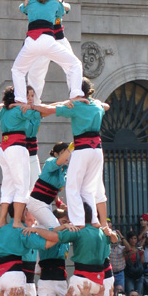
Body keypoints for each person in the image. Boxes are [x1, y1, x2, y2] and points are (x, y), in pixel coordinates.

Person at [32, 78, 109, 227]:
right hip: (97, 150)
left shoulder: (75, 106)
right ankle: (93, 220)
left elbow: (48, 110)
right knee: (88, 189)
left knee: (73, 187)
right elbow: (107, 106)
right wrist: (91, 101)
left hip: (82, 149)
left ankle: (79, 221)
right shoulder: (96, 105)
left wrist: (34, 106)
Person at [11, 0, 84, 104]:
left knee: (18, 70)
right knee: (74, 65)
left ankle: (20, 99)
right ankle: (76, 93)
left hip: (32, 41)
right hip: (48, 40)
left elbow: (23, 5)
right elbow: (65, 10)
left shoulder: (30, 3)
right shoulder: (54, 3)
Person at [0, 85, 41, 229]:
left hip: (4, 148)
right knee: (22, 186)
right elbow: (39, 113)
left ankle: (1, 220)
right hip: (17, 147)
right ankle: (17, 221)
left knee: (7, 185)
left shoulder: (5, 110)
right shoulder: (20, 110)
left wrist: (3, 106)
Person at [27, 142, 70, 228]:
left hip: (46, 204)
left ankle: (28, 234)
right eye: (63, 153)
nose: (66, 157)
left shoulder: (63, 170)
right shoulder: (50, 162)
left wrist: (58, 203)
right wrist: (71, 147)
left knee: (45, 230)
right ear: (55, 154)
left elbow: (52, 189)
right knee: (56, 228)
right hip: (37, 202)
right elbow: (57, 162)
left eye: (68, 154)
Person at [25, 86, 41, 190]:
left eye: (32, 96)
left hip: (33, 152)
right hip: (22, 151)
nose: (31, 98)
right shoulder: (18, 111)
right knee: (23, 184)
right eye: (28, 96)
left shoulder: (36, 112)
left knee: (36, 182)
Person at [124, 231, 145, 295]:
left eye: (135, 238)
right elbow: (125, 259)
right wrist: (131, 253)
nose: (133, 240)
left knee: (139, 294)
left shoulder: (138, 249)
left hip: (138, 274)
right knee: (130, 293)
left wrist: (142, 253)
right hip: (129, 274)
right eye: (131, 238)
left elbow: (142, 262)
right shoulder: (125, 249)